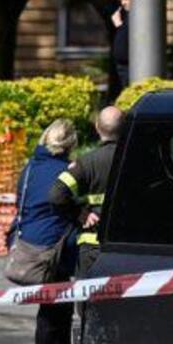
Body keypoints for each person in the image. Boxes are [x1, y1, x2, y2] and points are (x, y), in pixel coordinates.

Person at [12, 119, 82, 344]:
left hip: (31, 243)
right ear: (69, 144)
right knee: (54, 312)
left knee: (57, 310)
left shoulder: (29, 169)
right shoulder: (65, 172)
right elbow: (70, 203)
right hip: (52, 249)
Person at [49, 105, 123, 282]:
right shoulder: (138, 161)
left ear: (97, 127)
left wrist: (79, 213)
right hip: (126, 248)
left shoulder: (86, 163)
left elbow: (56, 195)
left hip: (92, 248)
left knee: (89, 305)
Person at [108, 0, 132, 102]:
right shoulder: (127, 16)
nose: (123, 3)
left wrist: (118, 24)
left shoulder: (136, 16)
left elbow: (127, 35)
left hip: (129, 66)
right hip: (122, 66)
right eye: (121, 0)